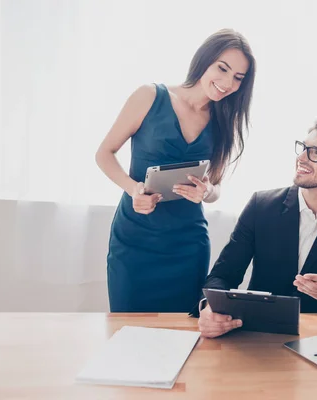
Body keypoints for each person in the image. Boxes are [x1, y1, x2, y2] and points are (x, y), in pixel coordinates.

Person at [95, 29, 256, 312]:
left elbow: (216, 187)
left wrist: (206, 192)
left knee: (181, 336)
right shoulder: (149, 96)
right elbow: (104, 154)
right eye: (222, 68)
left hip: (187, 245)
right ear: (204, 60)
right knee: (126, 333)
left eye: (238, 78)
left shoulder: (223, 121)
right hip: (135, 239)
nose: (227, 83)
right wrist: (133, 188)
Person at [196, 117, 317, 338]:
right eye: (303, 148)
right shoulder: (261, 205)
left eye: (315, 153)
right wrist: (209, 308)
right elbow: (223, 275)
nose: (302, 158)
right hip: (259, 333)